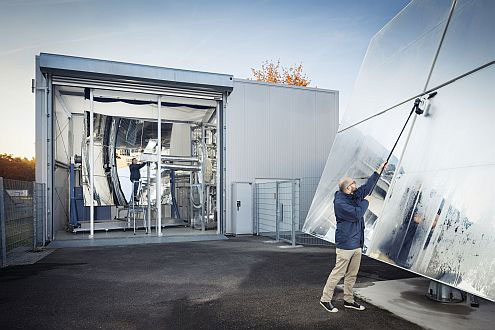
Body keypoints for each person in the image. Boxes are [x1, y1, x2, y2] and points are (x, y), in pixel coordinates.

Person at [320, 161, 386, 313]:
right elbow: (357, 213)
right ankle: (325, 299)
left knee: (352, 274)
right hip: (345, 245)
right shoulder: (340, 203)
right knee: (338, 273)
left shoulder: (353, 195)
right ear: (348, 188)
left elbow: (368, 187)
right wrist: (366, 202)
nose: (356, 185)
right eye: (353, 183)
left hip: (356, 243)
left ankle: (348, 300)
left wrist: (379, 170)